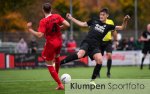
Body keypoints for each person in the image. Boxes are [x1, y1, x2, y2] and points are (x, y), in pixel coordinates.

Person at [61, 8, 130, 84]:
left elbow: (122, 27)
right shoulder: (94, 21)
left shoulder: (108, 26)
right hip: (87, 42)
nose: (101, 16)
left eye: (103, 15)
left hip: (95, 46)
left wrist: (125, 20)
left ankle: (92, 81)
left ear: (107, 16)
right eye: (100, 14)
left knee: (100, 61)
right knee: (80, 54)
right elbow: (82, 24)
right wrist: (71, 18)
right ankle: (59, 63)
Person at [27, 3, 70, 90]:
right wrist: (60, 27)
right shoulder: (57, 16)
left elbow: (39, 35)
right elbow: (68, 24)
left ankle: (60, 84)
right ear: (51, 9)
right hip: (59, 41)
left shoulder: (43, 21)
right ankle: (57, 75)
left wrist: (30, 29)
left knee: (49, 64)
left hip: (51, 43)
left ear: (43, 10)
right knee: (57, 57)